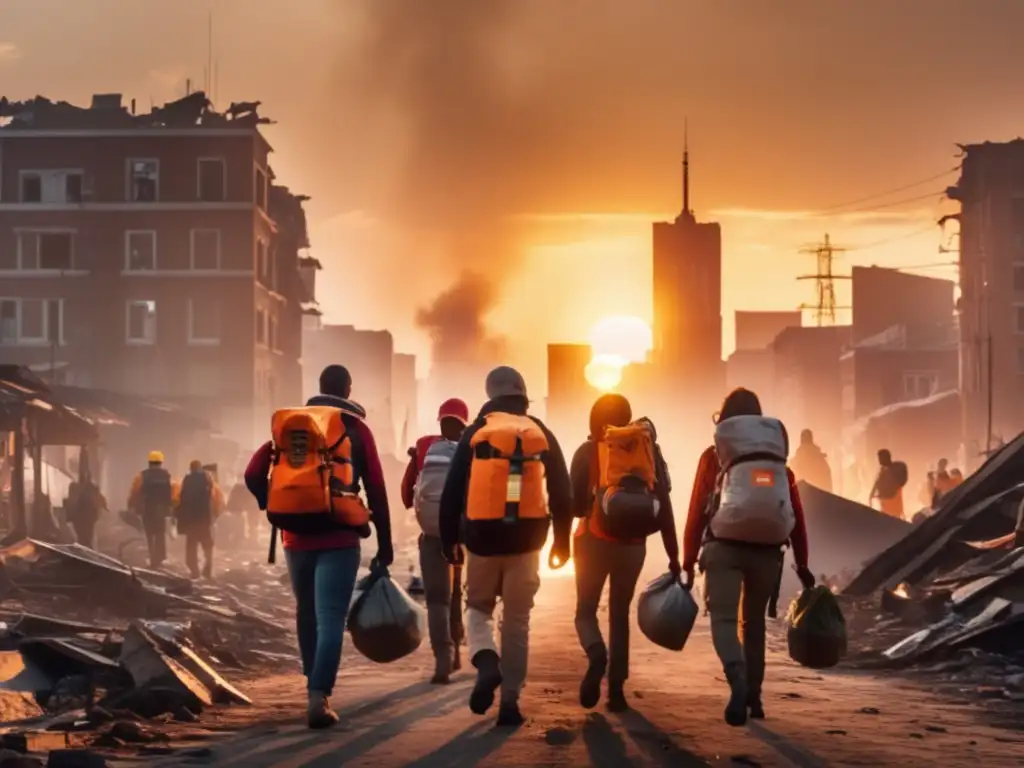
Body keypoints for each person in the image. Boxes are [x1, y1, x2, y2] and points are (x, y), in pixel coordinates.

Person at [245, 364, 393, 730]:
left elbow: (252, 472)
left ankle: (313, 684)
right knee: (330, 618)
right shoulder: (355, 428)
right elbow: (375, 486)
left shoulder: (292, 424)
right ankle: (318, 695)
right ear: (348, 389)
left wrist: (272, 503)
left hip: (294, 536)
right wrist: (385, 542)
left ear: (319, 387)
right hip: (339, 536)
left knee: (306, 613)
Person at [438, 366, 571, 727]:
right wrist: (562, 542)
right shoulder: (539, 432)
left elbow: (452, 492)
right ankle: (510, 701)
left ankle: (486, 662)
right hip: (527, 541)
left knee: (477, 608)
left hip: (480, 540)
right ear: (522, 395)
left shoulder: (475, 432)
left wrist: (449, 538)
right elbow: (562, 489)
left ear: (490, 395)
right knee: (517, 620)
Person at [683, 387, 813, 727]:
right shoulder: (776, 461)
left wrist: (685, 559)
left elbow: (697, 509)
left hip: (723, 547)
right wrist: (803, 563)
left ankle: (737, 680)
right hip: (768, 552)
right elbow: (795, 514)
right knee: (753, 625)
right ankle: (754, 697)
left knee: (724, 620)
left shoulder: (714, 456)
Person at [570, 394, 681, 713]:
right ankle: (616, 691)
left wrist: (563, 541)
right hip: (633, 546)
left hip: (592, 540)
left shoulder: (588, 450)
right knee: (619, 613)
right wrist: (673, 556)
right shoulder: (647, 450)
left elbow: (574, 503)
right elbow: (664, 505)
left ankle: (595, 654)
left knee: (585, 610)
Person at [401, 397, 470, 685]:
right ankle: (457, 654)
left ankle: (442, 658)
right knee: (457, 594)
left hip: (432, 534)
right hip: (463, 534)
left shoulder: (424, 447)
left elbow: (406, 496)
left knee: (437, 598)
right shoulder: (474, 447)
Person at [175, 460, 224, 579]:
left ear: (191, 468)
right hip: (204, 519)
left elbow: (182, 498)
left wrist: (179, 515)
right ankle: (208, 568)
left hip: (191, 520)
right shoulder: (208, 479)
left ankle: (194, 570)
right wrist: (215, 515)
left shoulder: (187, 479)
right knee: (207, 545)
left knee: (191, 546)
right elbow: (215, 498)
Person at [127, 451, 176, 568]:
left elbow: (135, 491)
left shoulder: (142, 475)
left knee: (150, 533)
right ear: (161, 462)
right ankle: (160, 557)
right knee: (160, 533)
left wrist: (131, 505)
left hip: (148, 508)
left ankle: (153, 556)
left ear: (149, 462)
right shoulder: (167, 475)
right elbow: (172, 492)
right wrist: (171, 507)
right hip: (162, 509)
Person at [65, 451, 107, 550]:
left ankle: (86, 551)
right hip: (82, 517)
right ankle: (85, 551)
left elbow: (98, 499)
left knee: (86, 536)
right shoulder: (75, 487)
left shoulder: (88, 487)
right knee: (83, 536)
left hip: (87, 517)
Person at [870, 449, 907, 519]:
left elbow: (901, 482)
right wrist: (872, 495)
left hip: (893, 505)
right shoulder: (883, 471)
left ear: (886, 458)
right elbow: (877, 483)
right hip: (885, 505)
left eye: (880, 458)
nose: (879, 461)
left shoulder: (897, 468)